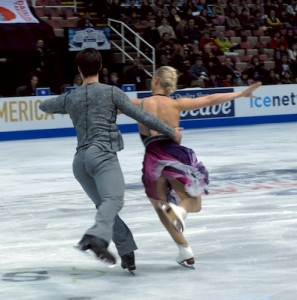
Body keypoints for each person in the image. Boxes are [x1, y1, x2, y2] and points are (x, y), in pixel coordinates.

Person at [38, 49, 181, 274]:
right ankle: (96, 237)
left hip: (80, 163)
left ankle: (127, 252)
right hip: (102, 155)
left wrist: (67, 103)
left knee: (107, 206)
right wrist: (170, 132)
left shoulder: (71, 97)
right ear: (101, 67)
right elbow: (142, 116)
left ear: (79, 69)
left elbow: (44, 106)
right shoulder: (111, 92)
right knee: (113, 199)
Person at [130, 66, 261, 267]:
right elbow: (210, 99)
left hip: (152, 160)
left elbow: (109, 106)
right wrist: (241, 93)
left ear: (155, 80)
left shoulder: (138, 104)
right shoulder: (177, 104)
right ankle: (180, 212)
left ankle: (184, 249)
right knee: (193, 204)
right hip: (174, 156)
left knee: (160, 206)